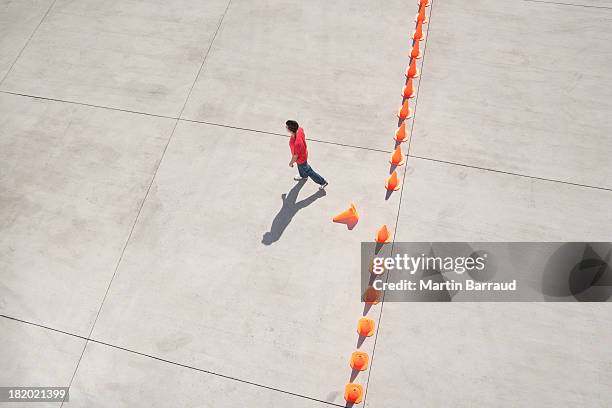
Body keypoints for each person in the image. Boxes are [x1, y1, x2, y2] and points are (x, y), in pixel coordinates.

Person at [286, 120, 328, 190]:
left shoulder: (297, 143)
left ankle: (323, 182)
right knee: (300, 167)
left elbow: (295, 157)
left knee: (309, 171)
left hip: (301, 159)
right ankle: (303, 176)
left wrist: (291, 163)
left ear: (290, 130)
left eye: (286, 127)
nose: (286, 128)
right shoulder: (299, 130)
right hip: (302, 155)